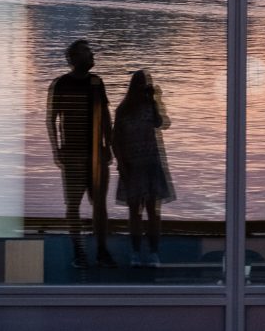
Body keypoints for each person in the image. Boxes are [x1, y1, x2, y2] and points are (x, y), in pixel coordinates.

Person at [46, 39, 117, 269]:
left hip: (96, 153)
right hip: (73, 154)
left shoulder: (97, 83)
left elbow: (105, 116)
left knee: (99, 204)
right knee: (74, 204)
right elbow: (51, 119)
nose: (93, 55)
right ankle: (79, 251)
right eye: (88, 53)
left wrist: (109, 146)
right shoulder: (61, 84)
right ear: (75, 59)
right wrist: (57, 150)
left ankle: (101, 251)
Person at [113, 69, 175, 267]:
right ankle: (136, 252)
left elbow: (161, 123)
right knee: (135, 211)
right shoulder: (122, 110)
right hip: (132, 164)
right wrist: (121, 163)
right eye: (141, 83)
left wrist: (155, 100)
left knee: (152, 210)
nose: (143, 87)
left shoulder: (150, 106)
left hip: (150, 163)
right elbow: (116, 140)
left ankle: (153, 252)